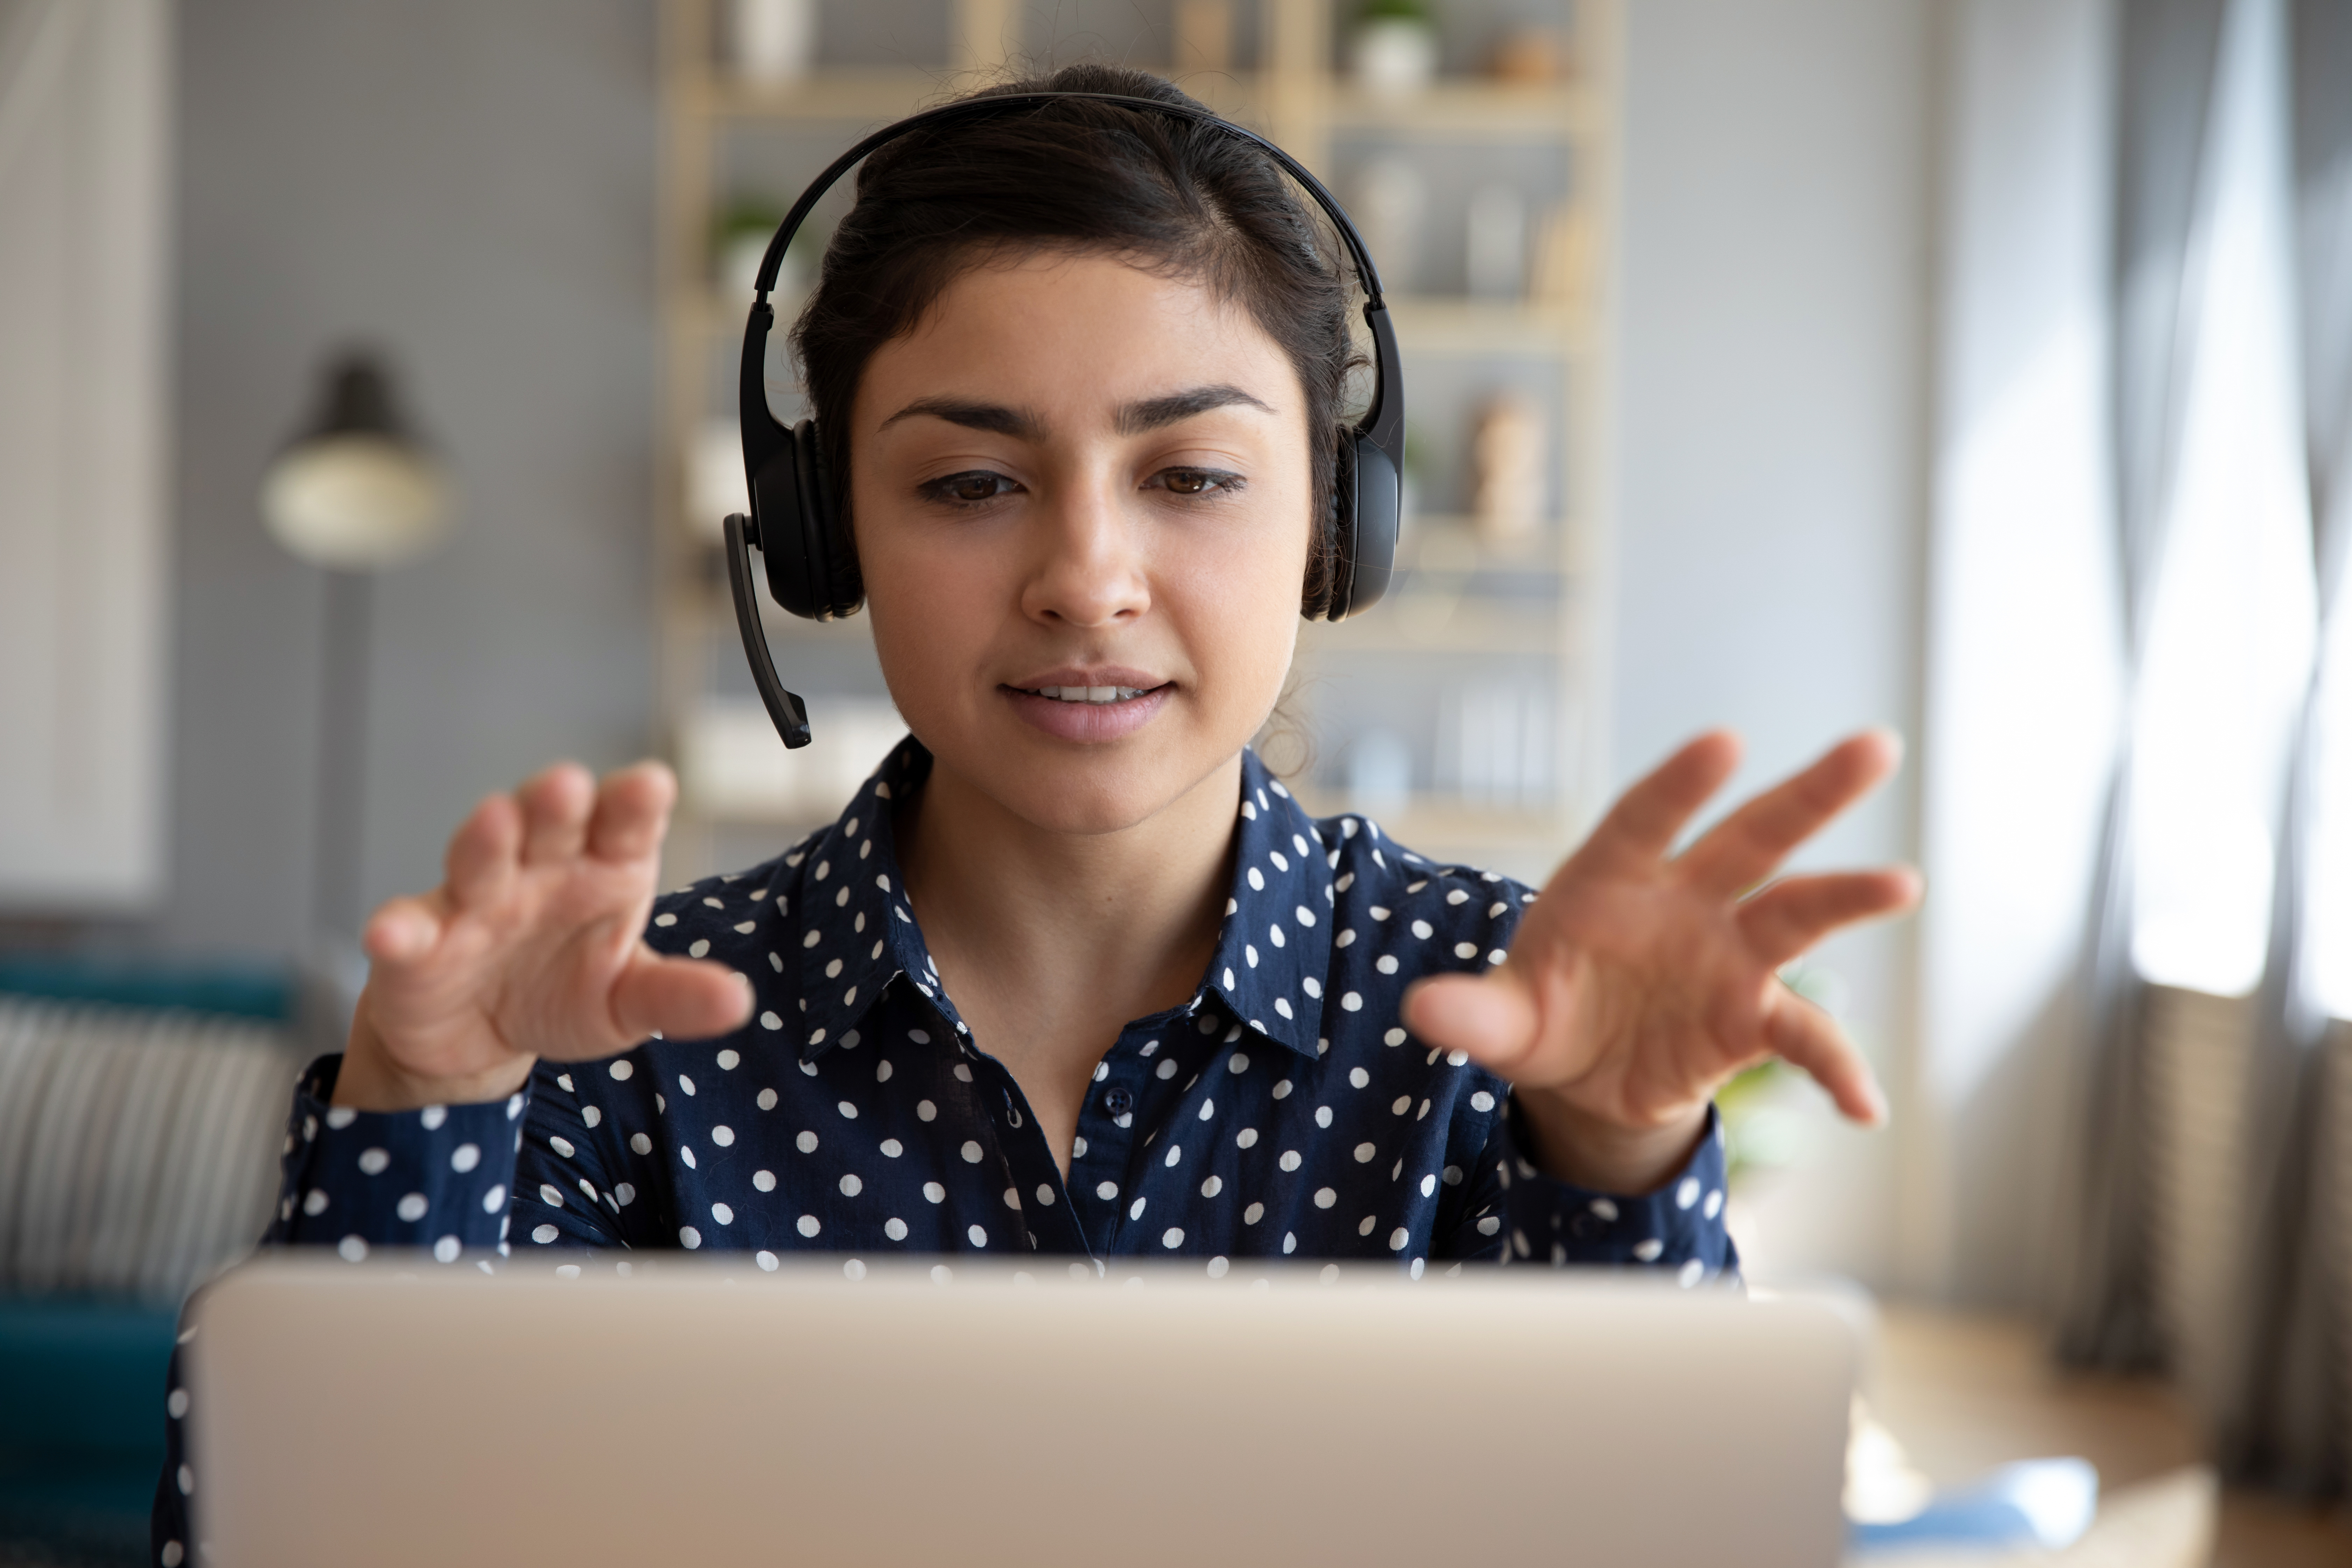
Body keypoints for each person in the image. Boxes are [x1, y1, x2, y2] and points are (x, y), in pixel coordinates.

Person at [150, 62, 1918, 1565]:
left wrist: (1609, 1157)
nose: (1086, 576)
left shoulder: (1499, 1018)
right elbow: (288, 1536)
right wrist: (421, 1115)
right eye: (972, 480)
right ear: (828, 536)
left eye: (1194, 475)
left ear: (1335, 527)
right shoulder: (620, 1031)